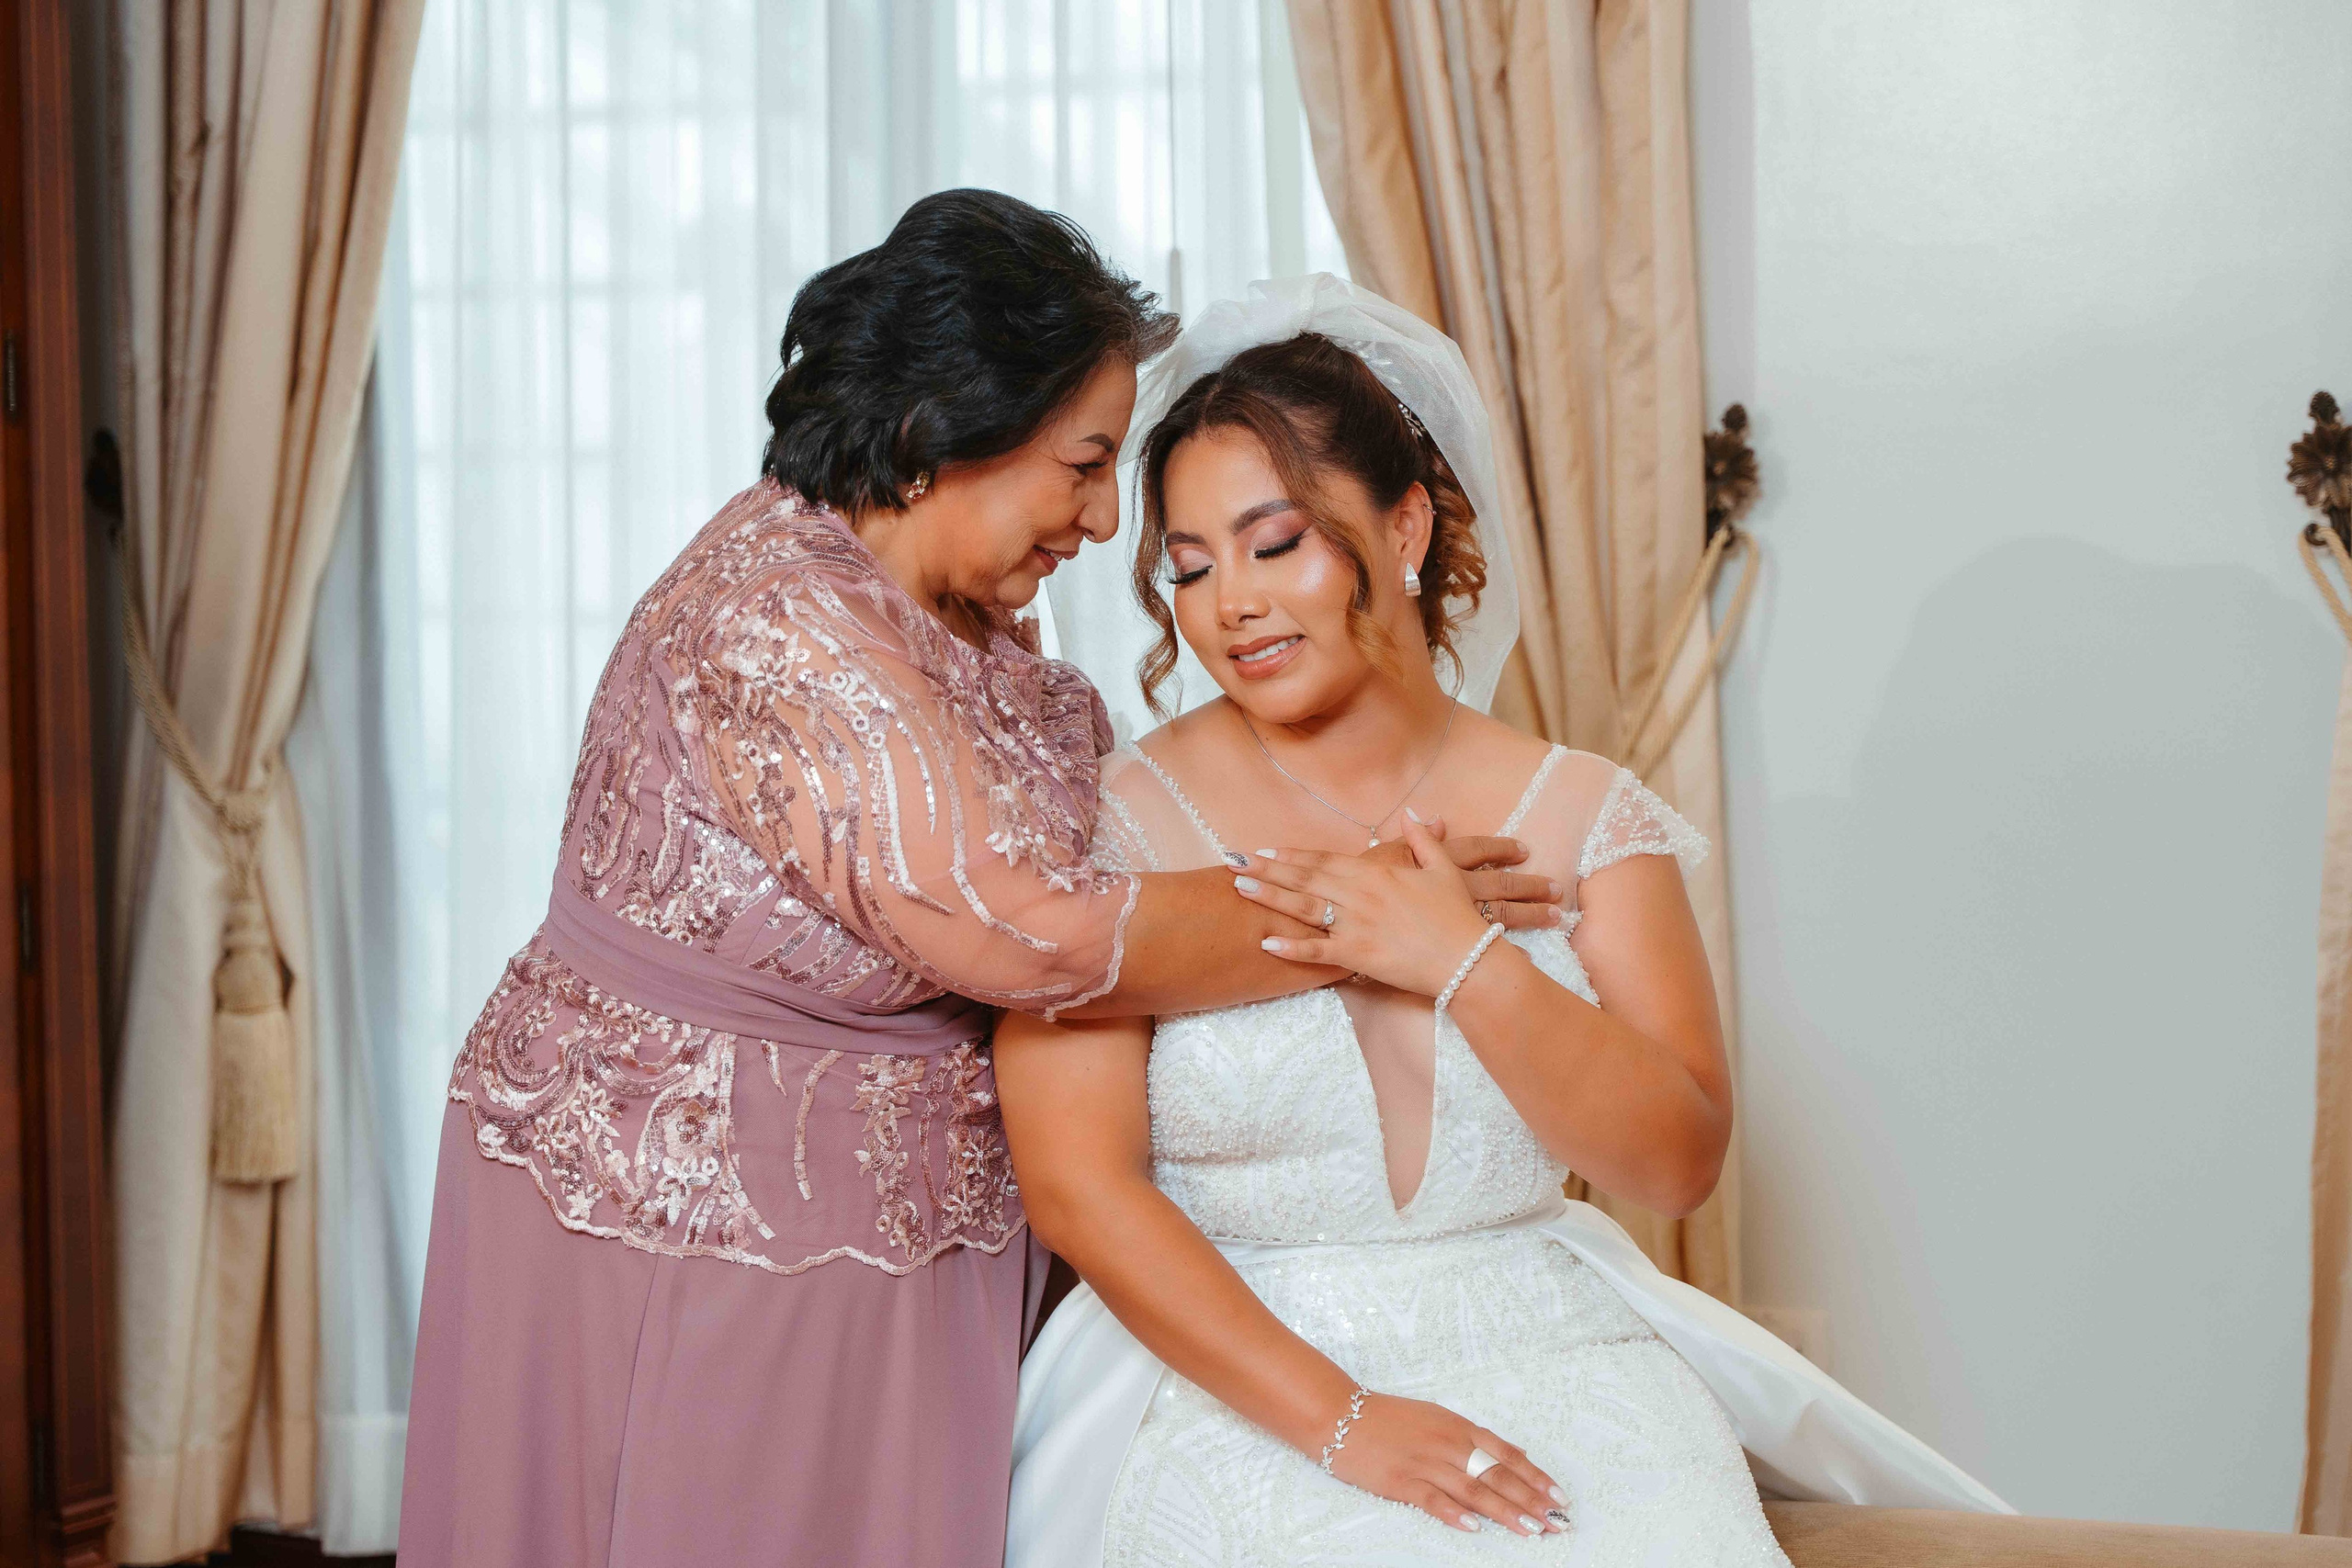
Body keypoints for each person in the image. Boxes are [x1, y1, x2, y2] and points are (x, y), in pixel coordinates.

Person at [396, 202, 1563, 1568]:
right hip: (691, 1215)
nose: (1100, 518)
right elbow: (1040, 933)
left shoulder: (955, 605)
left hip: (901, 1239)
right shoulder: (777, 627)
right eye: (1081, 463)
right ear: (936, 429)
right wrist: (1371, 912)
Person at [997, 276, 2008, 1567]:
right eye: (1188, 569)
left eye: (1276, 542)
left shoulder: (1582, 813)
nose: (1230, 604)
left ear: (1406, 524)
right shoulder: (1112, 820)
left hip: (1553, 1341)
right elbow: (1080, 1188)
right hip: (1227, 1373)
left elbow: (1674, 1161)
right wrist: (1348, 1424)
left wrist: (1463, 962)